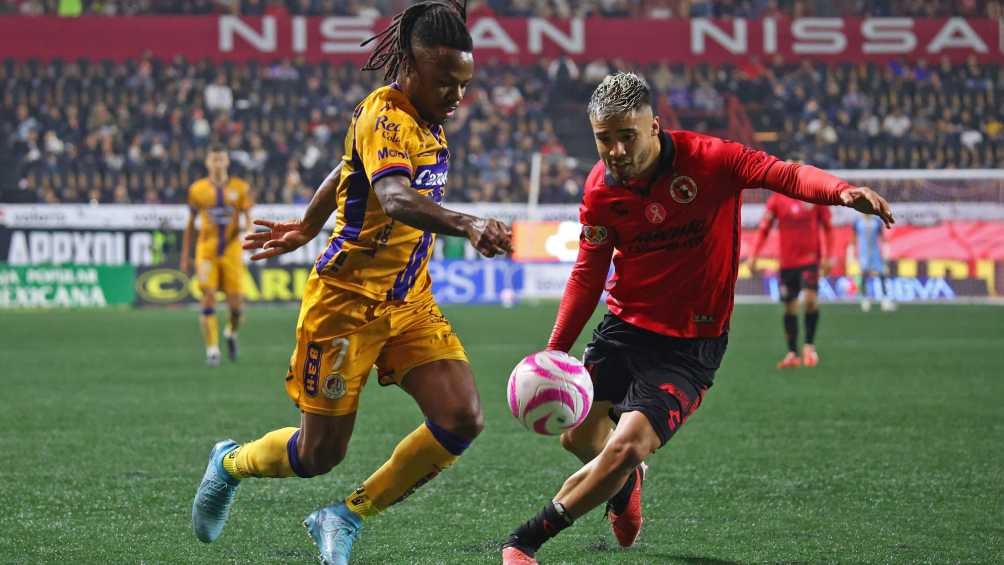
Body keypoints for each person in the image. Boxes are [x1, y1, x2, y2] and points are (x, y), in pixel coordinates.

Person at [500, 73, 893, 565]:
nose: (616, 151)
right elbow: (587, 273)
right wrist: (556, 351)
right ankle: (625, 487)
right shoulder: (600, 192)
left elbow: (786, 175)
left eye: (628, 136)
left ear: (655, 127)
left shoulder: (712, 159)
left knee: (624, 448)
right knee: (577, 437)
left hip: (690, 342)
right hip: (624, 326)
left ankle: (524, 541)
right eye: (605, 138)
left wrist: (840, 191)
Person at [191, 2, 512, 563]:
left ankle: (343, 516)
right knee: (317, 455)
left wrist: (310, 223)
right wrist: (468, 223)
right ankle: (229, 462)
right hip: (344, 305)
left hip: (409, 302)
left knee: (462, 416)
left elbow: (347, 168)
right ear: (409, 69)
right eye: (445, 83)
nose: (457, 97)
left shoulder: (425, 117)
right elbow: (391, 195)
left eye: (464, 84)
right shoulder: (386, 116)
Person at [180, 143, 253, 366]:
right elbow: (191, 224)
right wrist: (185, 254)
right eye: (214, 159)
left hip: (231, 250)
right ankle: (212, 350)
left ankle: (230, 333)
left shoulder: (241, 188)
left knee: (236, 306)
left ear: (227, 162)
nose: (218, 163)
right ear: (207, 162)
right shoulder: (197, 190)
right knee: (208, 296)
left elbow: (248, 217)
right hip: (206, 250)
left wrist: (249, 234)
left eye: (221, 159)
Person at [747, 192, 834, 368]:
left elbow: (828, 227)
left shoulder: (814, 196)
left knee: (810, 300)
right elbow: (764, 228)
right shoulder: (777, 199)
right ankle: (792, 353)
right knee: (790, 306)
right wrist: (754, 254)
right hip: (787, 263)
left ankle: (809, 346)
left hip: (810, 260)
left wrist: (828, 256)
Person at [851, 213, 895, 312]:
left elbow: (882, 237)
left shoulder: (876, 221)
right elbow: (854, 238)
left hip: (875, 253)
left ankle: (885, 301)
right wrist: (853, 252)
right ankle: (865, 300)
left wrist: (885, 251)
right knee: (864, 275)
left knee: (882, 275)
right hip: (863, 253)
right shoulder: (857, 222)